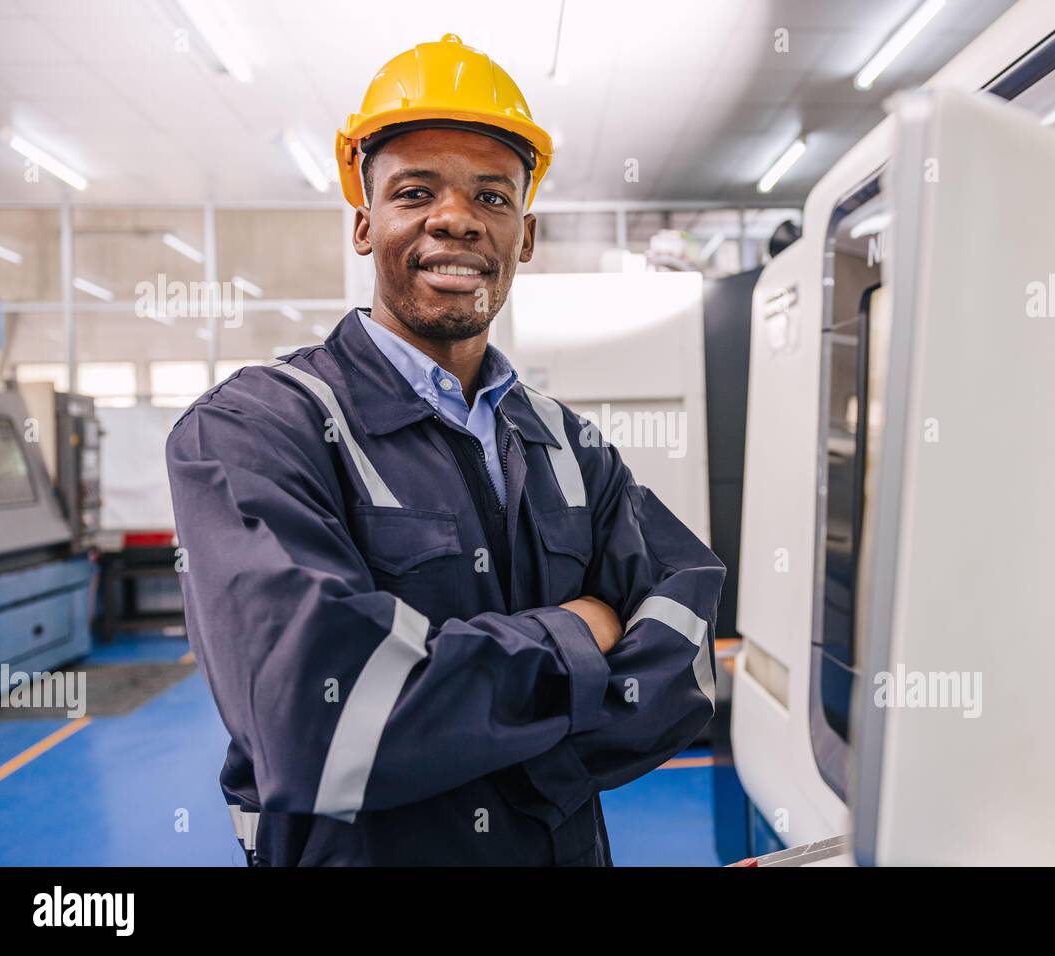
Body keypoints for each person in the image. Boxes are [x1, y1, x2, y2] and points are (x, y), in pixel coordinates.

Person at [165, 34, 724, 866]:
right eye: (415, 190)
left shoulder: (572, 446)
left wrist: (451, 736)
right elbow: (318, 722)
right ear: (364, 224)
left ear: (524, 237)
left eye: (492, 197)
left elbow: (686, 670)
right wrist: (581, 629)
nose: (456, 218)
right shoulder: (253, 430)